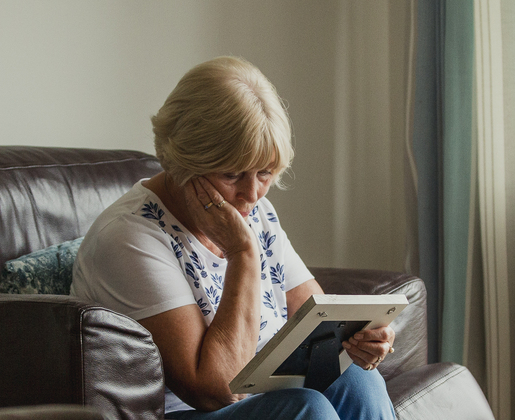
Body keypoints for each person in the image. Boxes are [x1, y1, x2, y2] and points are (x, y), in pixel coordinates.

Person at [69, 56, 397, 420]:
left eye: (265, 172)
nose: (253, 194)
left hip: (259, 398)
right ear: (182, 161)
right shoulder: (130, 238)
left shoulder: (254, 209)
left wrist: (359, 341)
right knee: (306, 409)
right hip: (179, 413)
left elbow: (315, 324)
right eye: (232, 174)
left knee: (358, 380)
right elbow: (216, 392)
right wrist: (243, 253)